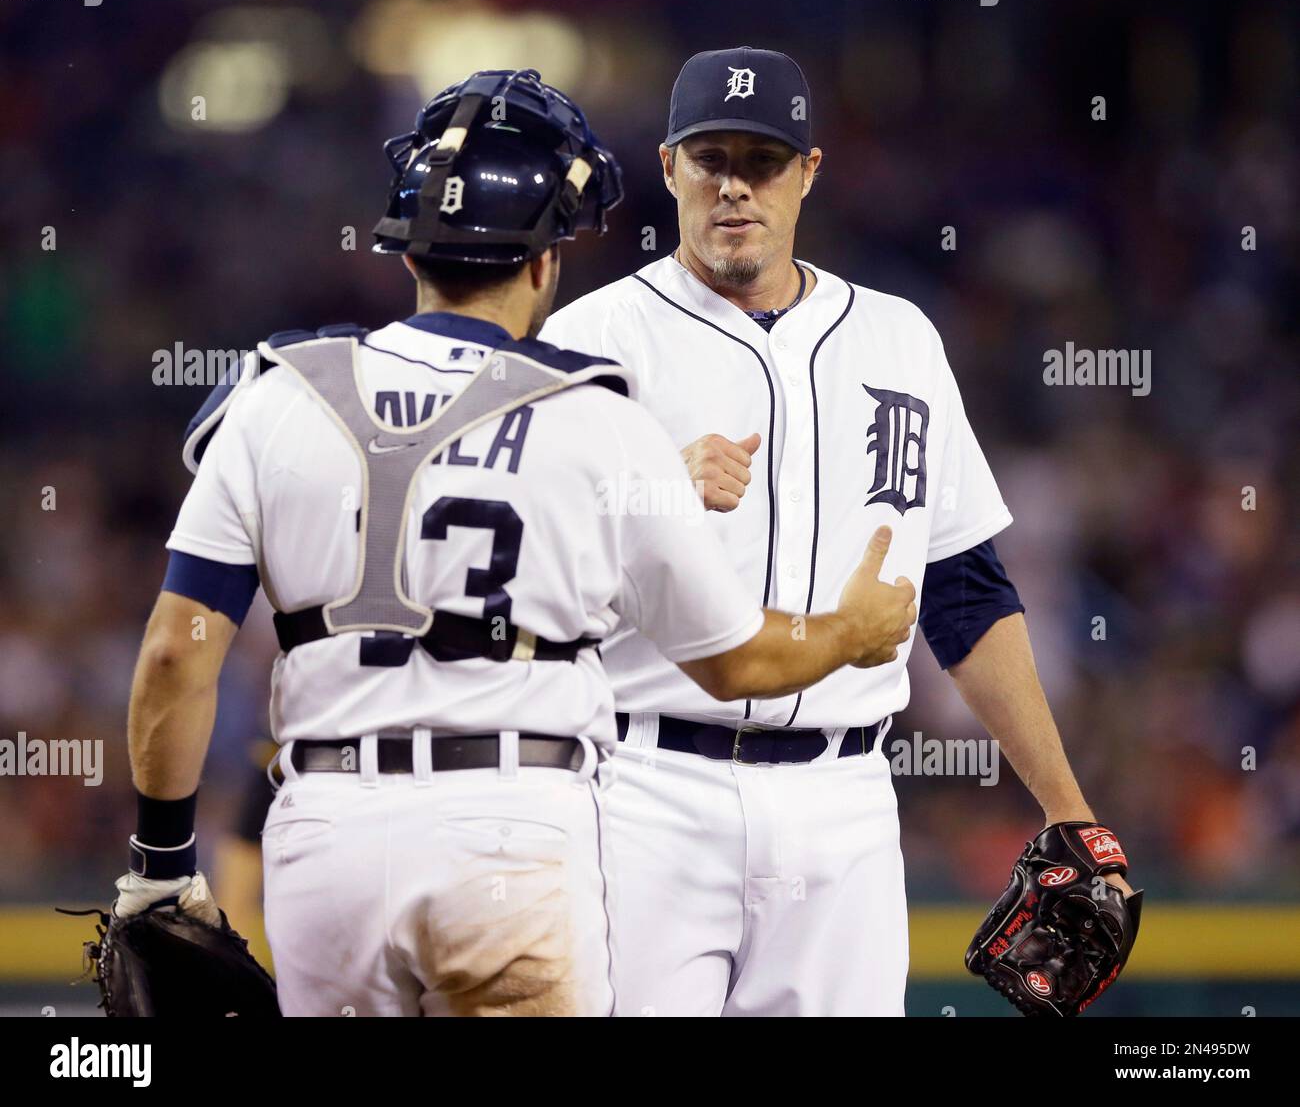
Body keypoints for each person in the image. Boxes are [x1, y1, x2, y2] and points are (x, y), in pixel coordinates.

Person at [111, 68, 916, 1017]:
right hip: (512, 830)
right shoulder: (595, 420)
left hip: (325, 831)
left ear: (407, 252)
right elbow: (740, 662)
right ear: (543, 261)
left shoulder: (278, 393)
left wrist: (160, 868)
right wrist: (849, 635)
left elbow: (175, 652)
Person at [540, 46, 1135, 1016]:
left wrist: (1067, 807)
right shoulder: (593, 339)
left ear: (809, 172)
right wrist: (644, 497)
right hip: (642, 789)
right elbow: (522, 580)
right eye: (710, 158)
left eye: (763, 161)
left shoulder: (898, 337)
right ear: (666, 167)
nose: (735, 187)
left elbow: (962, 589)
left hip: (845, 798)